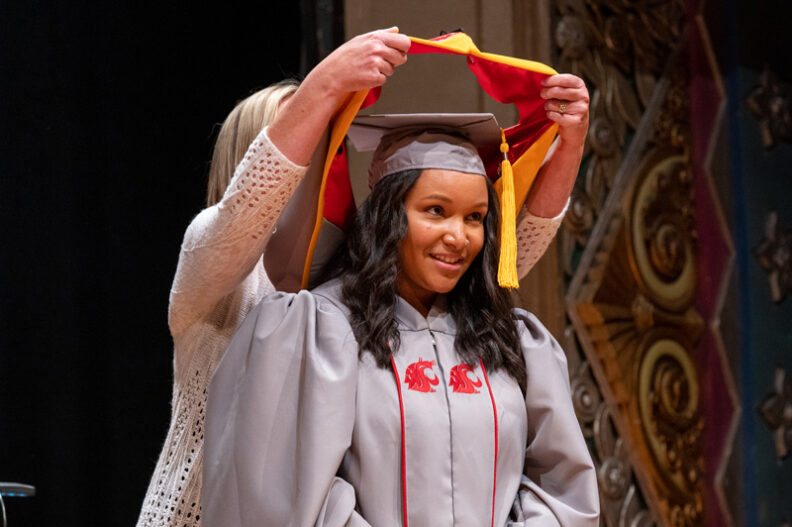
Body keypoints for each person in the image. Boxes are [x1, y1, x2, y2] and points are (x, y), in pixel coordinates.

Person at [137, 27, 582, 527]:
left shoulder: (346, 275)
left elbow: (499, 255)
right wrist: (325, 87)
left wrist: (567, 146)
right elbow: (249, 208)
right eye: (308, 142)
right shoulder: (218, 268)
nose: (319, 162)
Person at [202, 114, 600, 526]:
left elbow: (561, 490)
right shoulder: (325, 330)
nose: (458, 237)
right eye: (436, 211)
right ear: (388, 217)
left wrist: (570, 142)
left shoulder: (508, 338)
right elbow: (290, 495)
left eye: (474, 217)